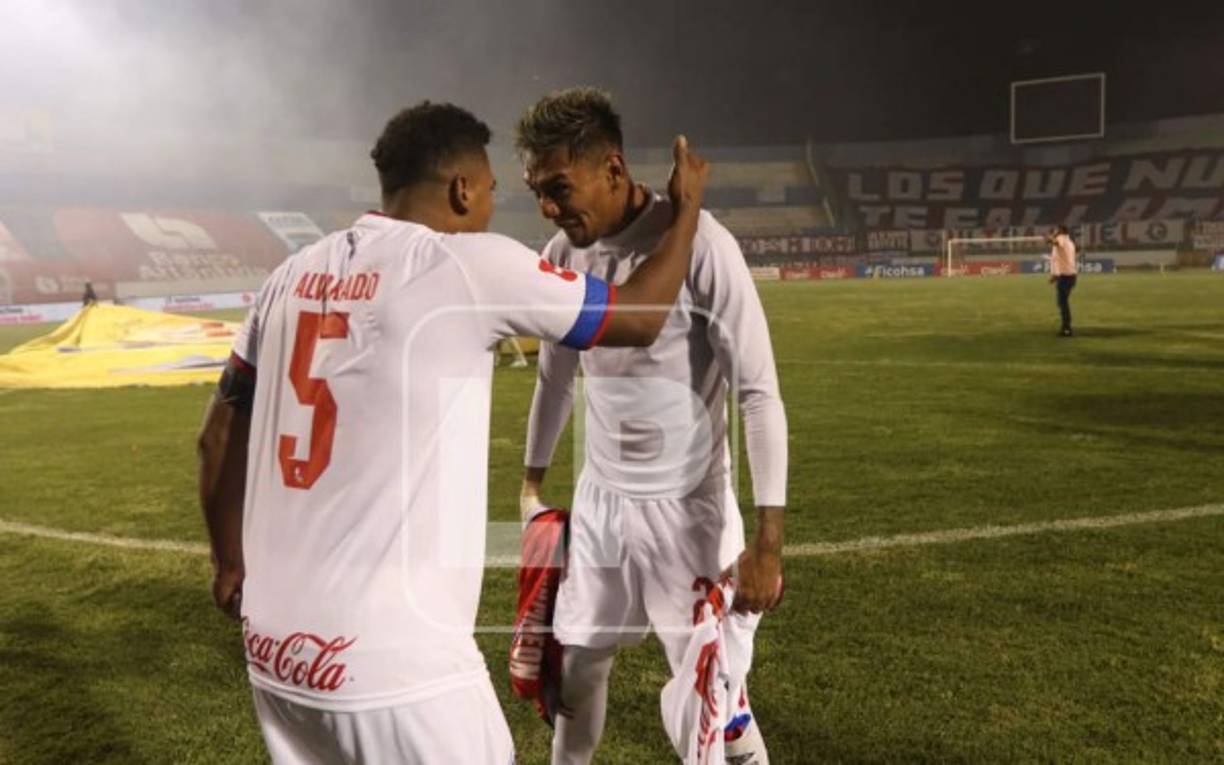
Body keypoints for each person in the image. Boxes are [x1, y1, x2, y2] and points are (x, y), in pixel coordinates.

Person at [196, 100, 709, 764]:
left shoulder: (286, 279)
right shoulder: (467, 264)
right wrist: (688, 208)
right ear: (463, 189)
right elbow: (639, 317)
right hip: (397, 666)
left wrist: (228, 560)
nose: (496, 207)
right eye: (494, 190)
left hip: (274, 653)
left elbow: (216, 437)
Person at [514, 88, 787, 765]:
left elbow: (758, 390)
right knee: (577, 667)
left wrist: (768, 540)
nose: (549, 206)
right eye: (537, 192)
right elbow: (555, 375)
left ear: (612, 169)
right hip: (604, 498)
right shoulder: (562, 250)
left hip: (687, 511)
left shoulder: (703, 245)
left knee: (713, 703)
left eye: (559, 187)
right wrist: (531, 483)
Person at [1047, 224, 1078, 336]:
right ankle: (1066, 326)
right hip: (1070, 276)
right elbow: (1062, 258)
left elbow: (1055, 242)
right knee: (1061, 302)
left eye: (1056, 230)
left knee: (1063, 303)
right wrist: (1055, 276)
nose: (1055, 231)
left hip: (1066, 277)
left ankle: (1067, 328)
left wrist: (1050, 238)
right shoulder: (1070, 242)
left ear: (1060, 231)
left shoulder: (1062, 238)